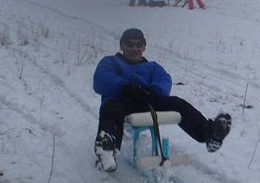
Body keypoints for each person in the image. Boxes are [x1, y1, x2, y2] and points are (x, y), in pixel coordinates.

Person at [93, 28, 232, 172]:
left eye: (138, 44)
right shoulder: (111, 61)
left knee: (176, 103)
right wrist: (126, 88)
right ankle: (108, 147)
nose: (134, 48)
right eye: (129, 44)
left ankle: (208, 133)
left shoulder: (152, 67)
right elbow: (101, 78)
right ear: (121, 46)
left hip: (147, 103)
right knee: (110, 108)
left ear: (144, 47)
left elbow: (164, 80)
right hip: (120, 101)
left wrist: (153, 92)